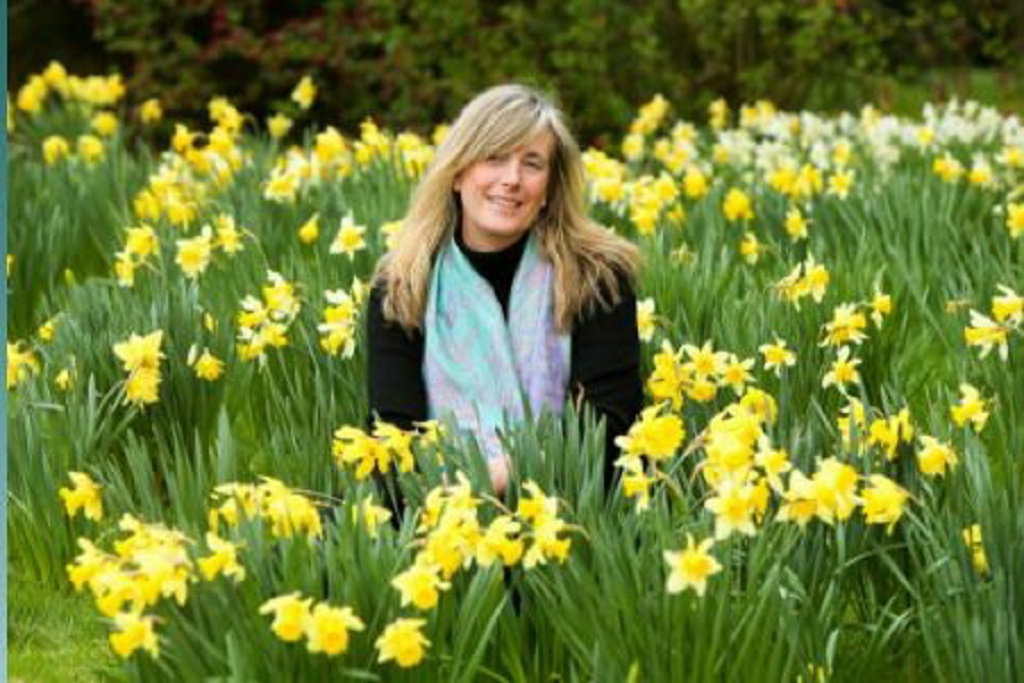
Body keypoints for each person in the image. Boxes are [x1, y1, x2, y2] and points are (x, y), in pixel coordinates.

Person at [367, 83, 642, 496]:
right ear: (458, 173)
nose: (511, 179)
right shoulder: (404, 285)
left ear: (549, 187)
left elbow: (607, 434)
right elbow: (393, 441)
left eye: (532, 163)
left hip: (572, 512)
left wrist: (487, 482)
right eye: (494, 158)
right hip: (439, 519)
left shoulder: (596, 277)